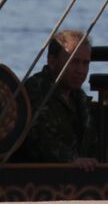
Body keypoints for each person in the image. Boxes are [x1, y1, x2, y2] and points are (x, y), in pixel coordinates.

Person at [13, 29, 99, 167]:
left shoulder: (79, 98)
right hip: (36, 179)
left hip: (75, 179)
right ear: (52, 62)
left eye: (85, 63)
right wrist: (72, 160)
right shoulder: (35, 90)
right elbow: (40, 138)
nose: (80, 70)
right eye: (74, 62)